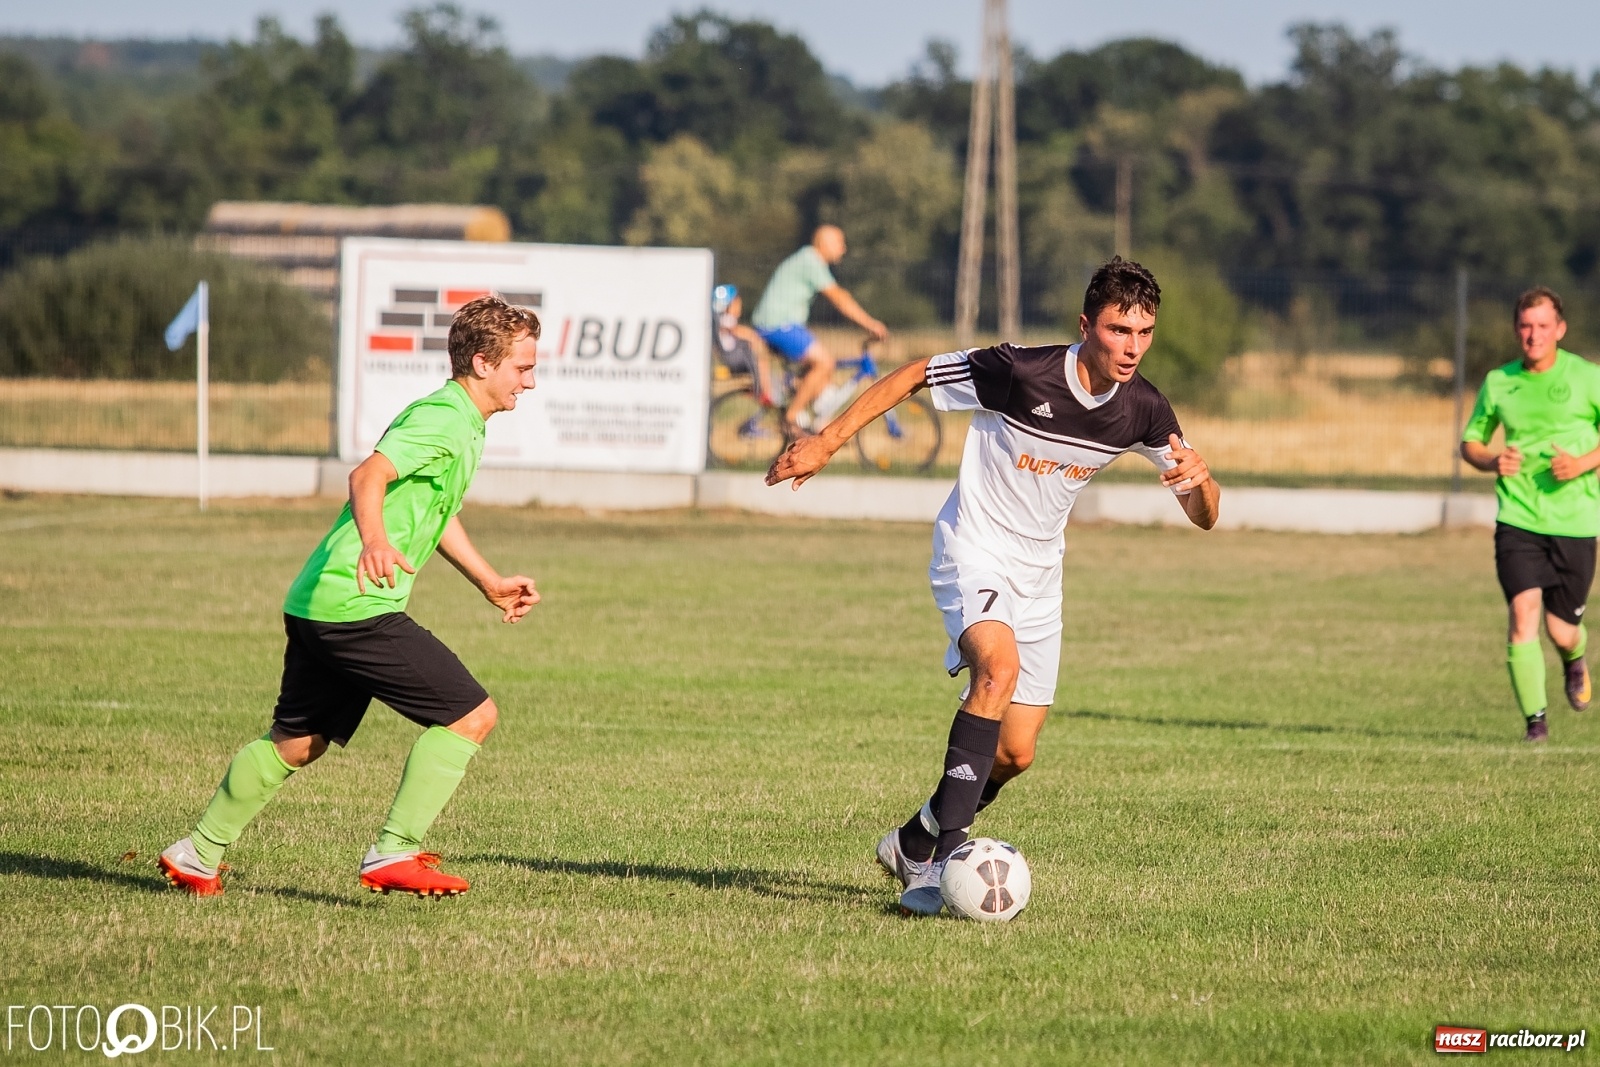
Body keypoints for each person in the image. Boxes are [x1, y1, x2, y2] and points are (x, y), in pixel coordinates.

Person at [766, 257, 1221, 916]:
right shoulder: (1020, 372)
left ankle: (913, 839)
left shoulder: (1144, 408)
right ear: (1086, 325)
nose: (1132, 347)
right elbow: (916, 373)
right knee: (997, 670)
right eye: (1119, 330)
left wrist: (1201, 482)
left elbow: (1204, 516)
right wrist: (826, 441)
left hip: (1040, 576)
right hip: (972, 549)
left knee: (1015, 752)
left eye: (1144, 333)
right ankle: (939, 863)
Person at [158, 295, 543, 897]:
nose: (530, 381)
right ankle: (394, 851)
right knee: (472, 716)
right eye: (522, 367)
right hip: (356, 608)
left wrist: (488, 581)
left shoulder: (463, 421)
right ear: (482, 363)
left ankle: (196, 854)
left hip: (319, 602)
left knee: (297, 743)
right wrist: (375, 542)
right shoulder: (444, 417)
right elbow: (368, 475)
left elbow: (438, 512)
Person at [1460, 287, 1600, 743]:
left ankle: (1574, 656)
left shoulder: (1587, 377)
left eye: (1542, 325)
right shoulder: (1499, 381)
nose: (1533, 334)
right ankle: (1535, 724)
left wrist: (1582, 463)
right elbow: (1471, 442)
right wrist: (1492, 461)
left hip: (1576, 521)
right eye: (1525, 325)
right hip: (1518, 518)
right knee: (1523, 613)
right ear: (1515, 329)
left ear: (1560, 329)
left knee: (1561, 631)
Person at [751, 225, 888, 438]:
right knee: (825, 363)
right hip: (777, 325)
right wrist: (870, 324)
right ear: (823, 244)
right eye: (839, 243)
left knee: (822, 374)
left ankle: (811, 417)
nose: (843, 248)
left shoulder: (808, 260)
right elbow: (839, 298)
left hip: (780, 324)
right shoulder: (810, 261)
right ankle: (791, 418)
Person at [713, 283, 774, 406]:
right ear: (727, 306)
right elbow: (736, 330)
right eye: (737, 303)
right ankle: (765, 393)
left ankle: (762, 391)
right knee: (760, 356)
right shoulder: (725, 319)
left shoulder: (718, 319)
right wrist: (755, 338)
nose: (739, 306)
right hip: (735, 356)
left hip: (732, 355)